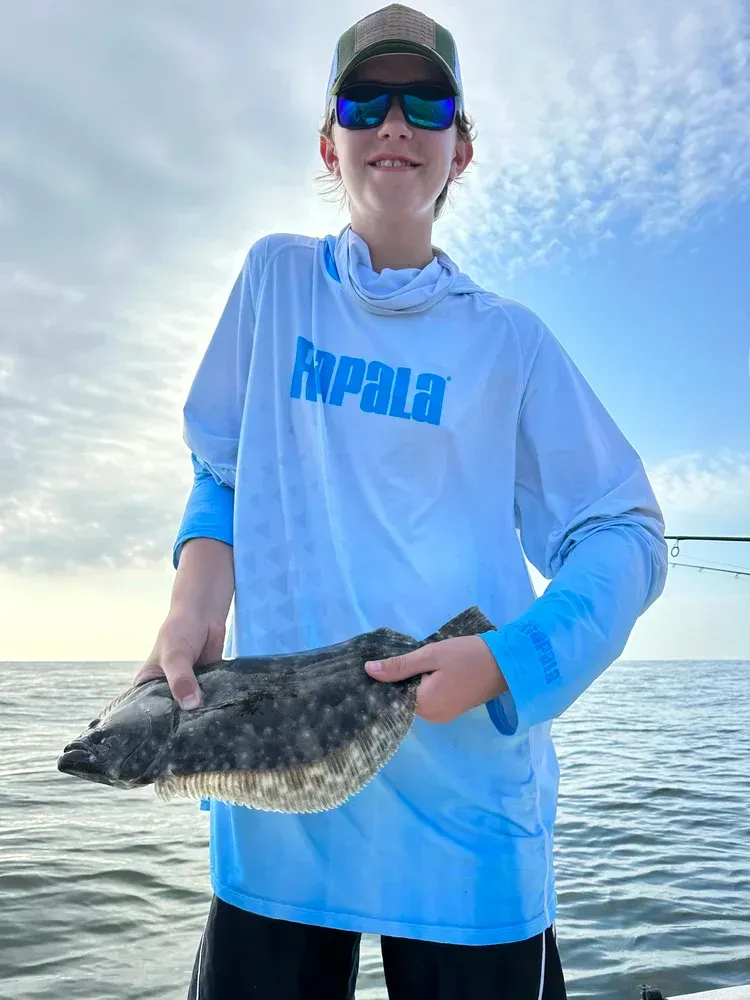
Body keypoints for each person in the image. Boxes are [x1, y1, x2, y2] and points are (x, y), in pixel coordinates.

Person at [135, 4, 668, 998]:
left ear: (462, 148)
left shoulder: (510, 343)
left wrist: (510, 659)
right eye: (364, 99)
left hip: (466, 819)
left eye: (425, 102)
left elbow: (626, 533)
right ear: (327, 139)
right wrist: (193, 602)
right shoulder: (275, 282)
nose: (394, 122)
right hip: (278, 801)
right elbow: (224, 469)